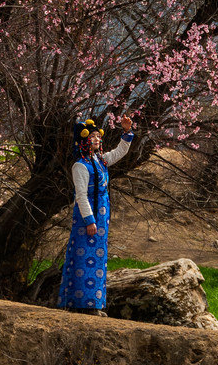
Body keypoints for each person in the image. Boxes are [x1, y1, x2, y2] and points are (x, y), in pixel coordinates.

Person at [58, 113, 134, 314]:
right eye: (92, 137)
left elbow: (120, 152)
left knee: (99, 259)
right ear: (83, 140)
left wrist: (126, 132)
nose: (97, 140)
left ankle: (95, 303)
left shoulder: (100, 161)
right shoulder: (80, 166)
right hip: (88, 218)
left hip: (102, 216)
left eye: (98, 137)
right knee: (83, 257)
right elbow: (81, 196)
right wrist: (89, 220)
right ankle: (80, 304)